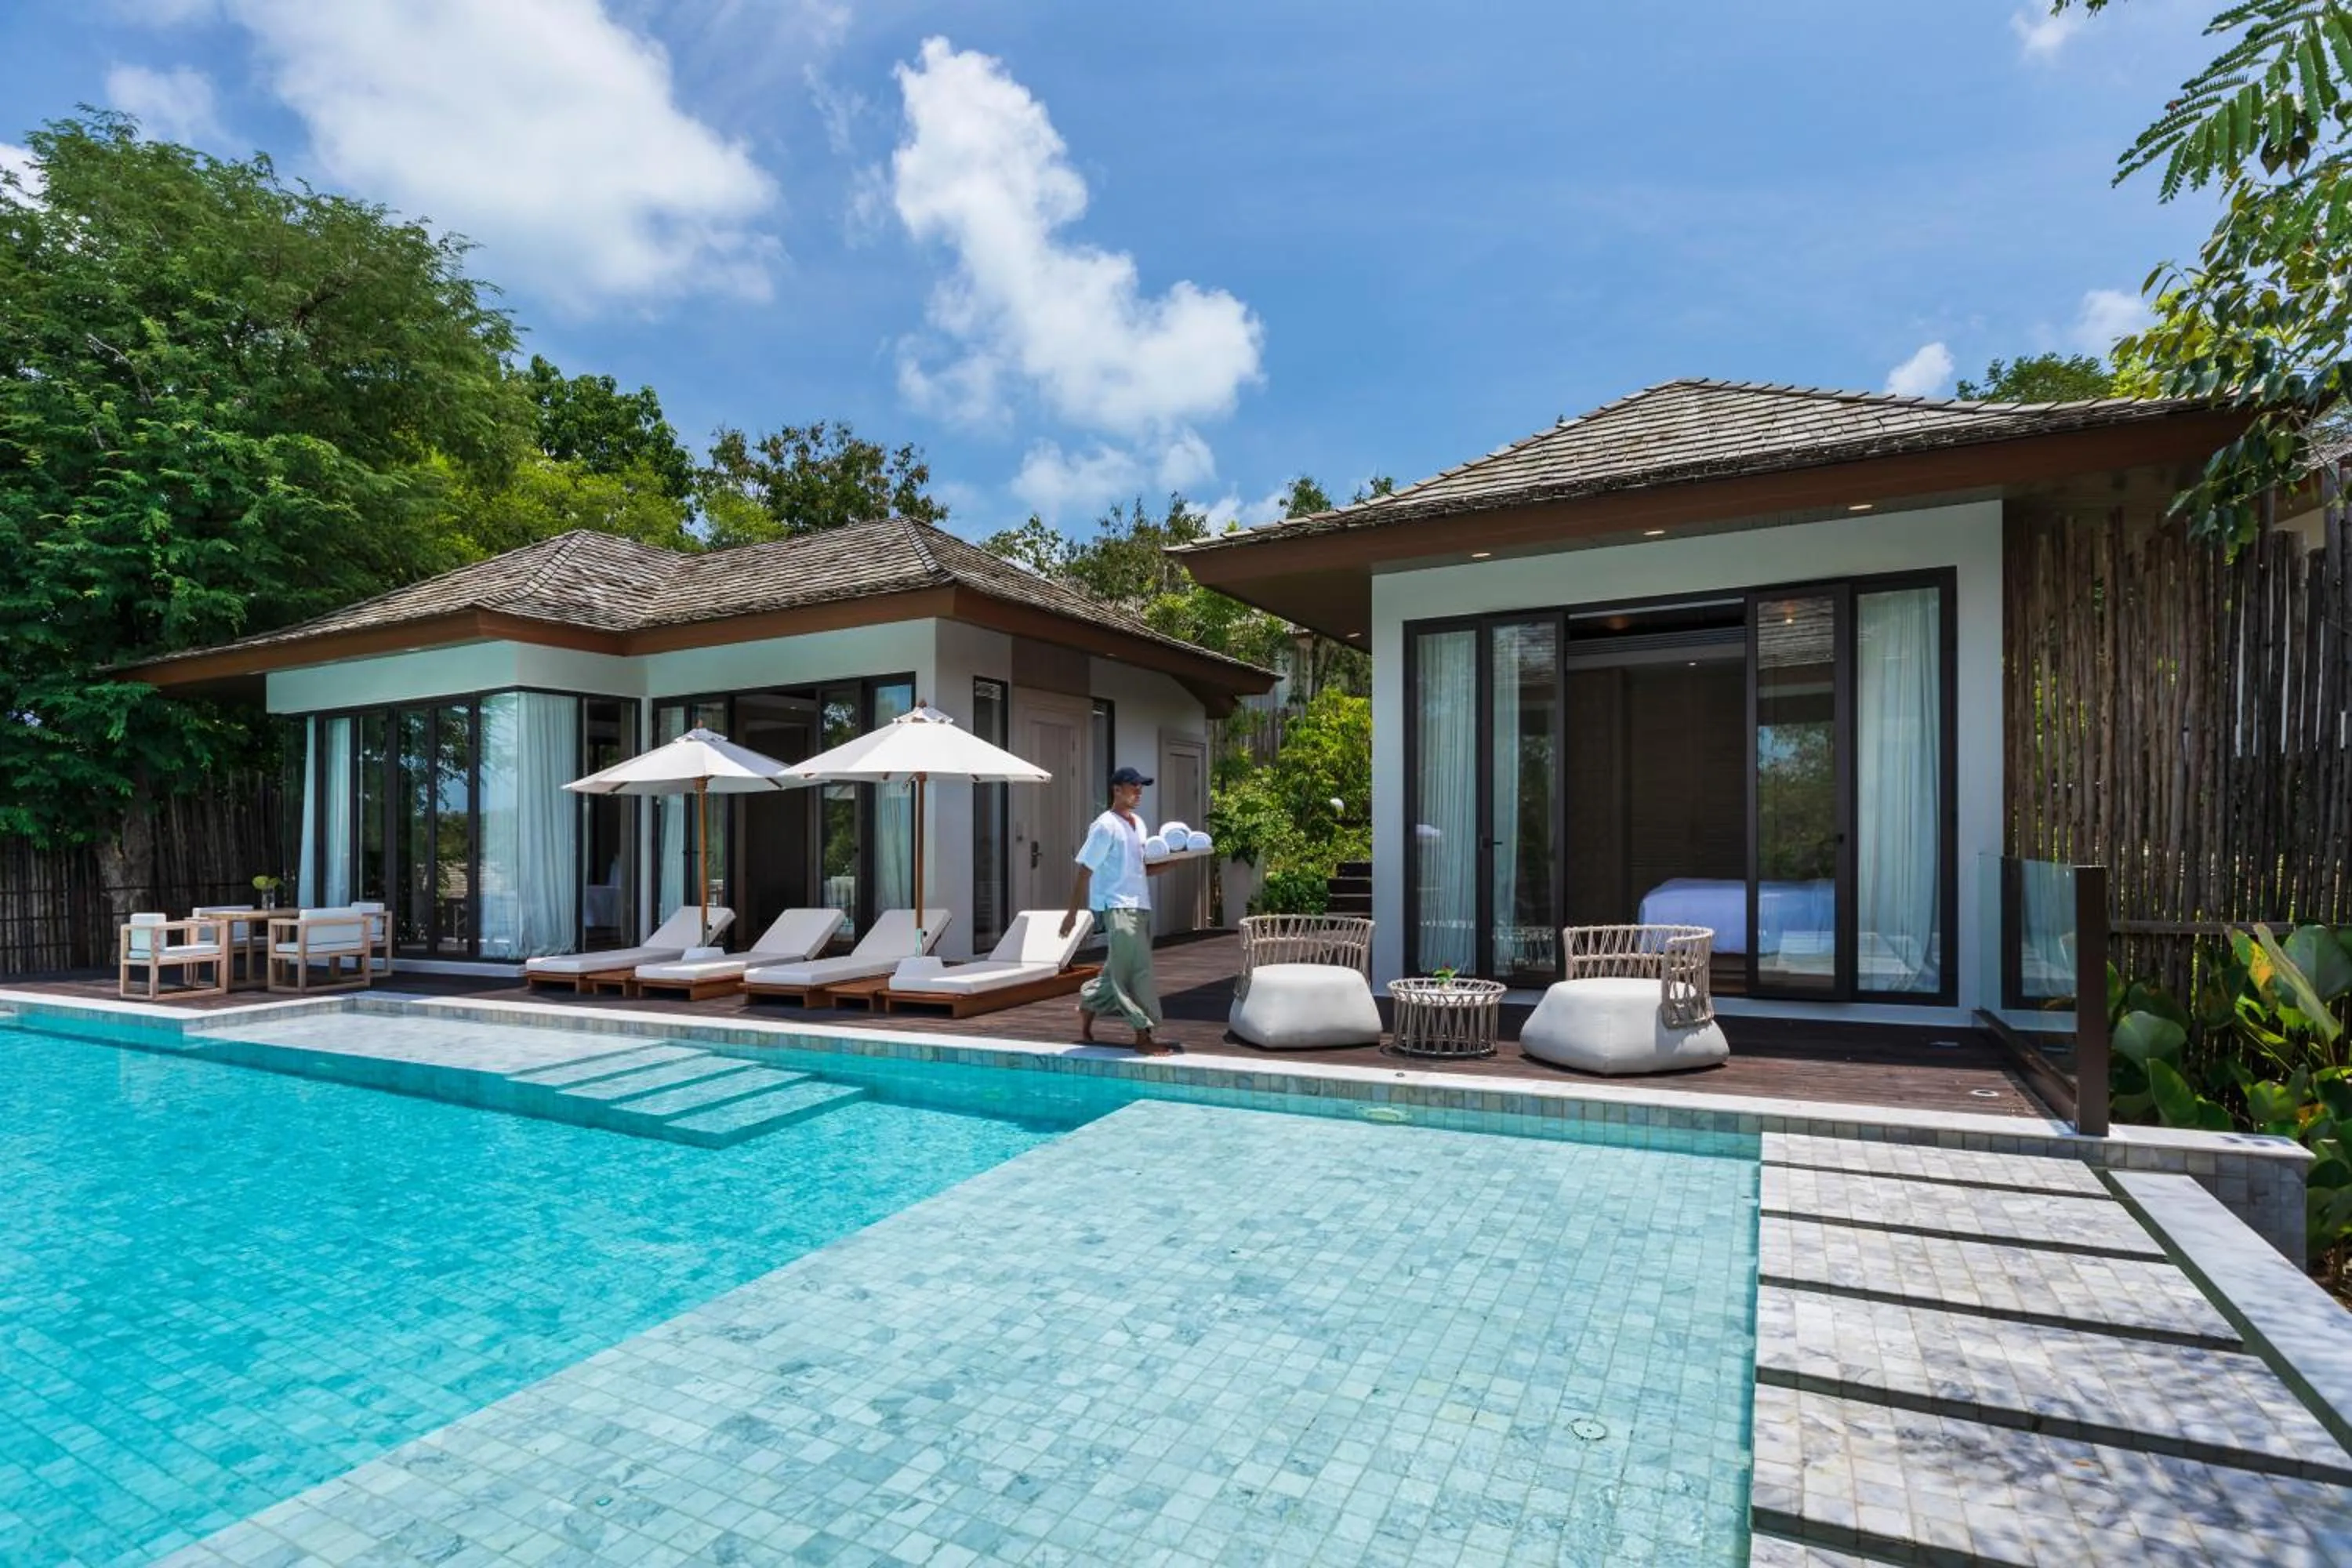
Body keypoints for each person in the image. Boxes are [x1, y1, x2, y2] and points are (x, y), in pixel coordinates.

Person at [1062, 765, 1178, 1053]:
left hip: (1141, 907)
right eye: (1133, 786)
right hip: (1119, 908)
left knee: (1118, 970)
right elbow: (1085, 871)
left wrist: (1176, 862)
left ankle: (1088, 1006)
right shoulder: (1105, 825)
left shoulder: (1138, 824)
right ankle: (1143, 1036)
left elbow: (1140, 869)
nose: (1139, 791)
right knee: (1136, 973)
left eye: (1141, 787)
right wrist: (1072, 913)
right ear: (1117, 789)